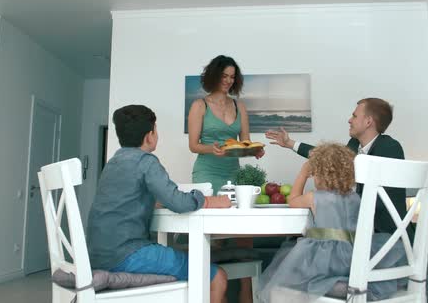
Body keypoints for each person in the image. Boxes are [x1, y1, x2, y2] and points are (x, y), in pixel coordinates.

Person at [86, 104, 232, 303]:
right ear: (149, 136)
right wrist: (209, 200)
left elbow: (126, 201)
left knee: (186, 259)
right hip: (127, 255)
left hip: (97, 256)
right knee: (216, 277)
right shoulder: (146, 161)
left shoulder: (113, 163)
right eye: (156, 129)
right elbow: (178, 202)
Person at [258, 143, 404, 302]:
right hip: (354, 256)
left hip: (323, 257)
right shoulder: (355, 198)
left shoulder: (315, 197)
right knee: (337, 275)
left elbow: (292, 200)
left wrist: (302, 174)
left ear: (319, 174)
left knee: (289, 282)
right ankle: (346, 285)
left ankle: (333, 286)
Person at [265, 98, 407, 236]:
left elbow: (381, 200)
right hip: (360, 231)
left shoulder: (389, 147)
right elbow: (328, 157)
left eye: (354, 116)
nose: (349, 120)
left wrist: (331, 203)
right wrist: (290, 143)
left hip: (385, 235)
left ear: (368, 121)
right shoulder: (354, 143)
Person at [188, 55, 264, 194]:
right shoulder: (199, 105)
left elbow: (245, 142)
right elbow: (193, 146)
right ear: (214, 76)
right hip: (206, 173)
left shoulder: (239, 106)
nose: (229, 80)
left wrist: (254, 151)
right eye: (224, 76)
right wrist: (213, 149)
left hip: (234, 173)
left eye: (232, 77)